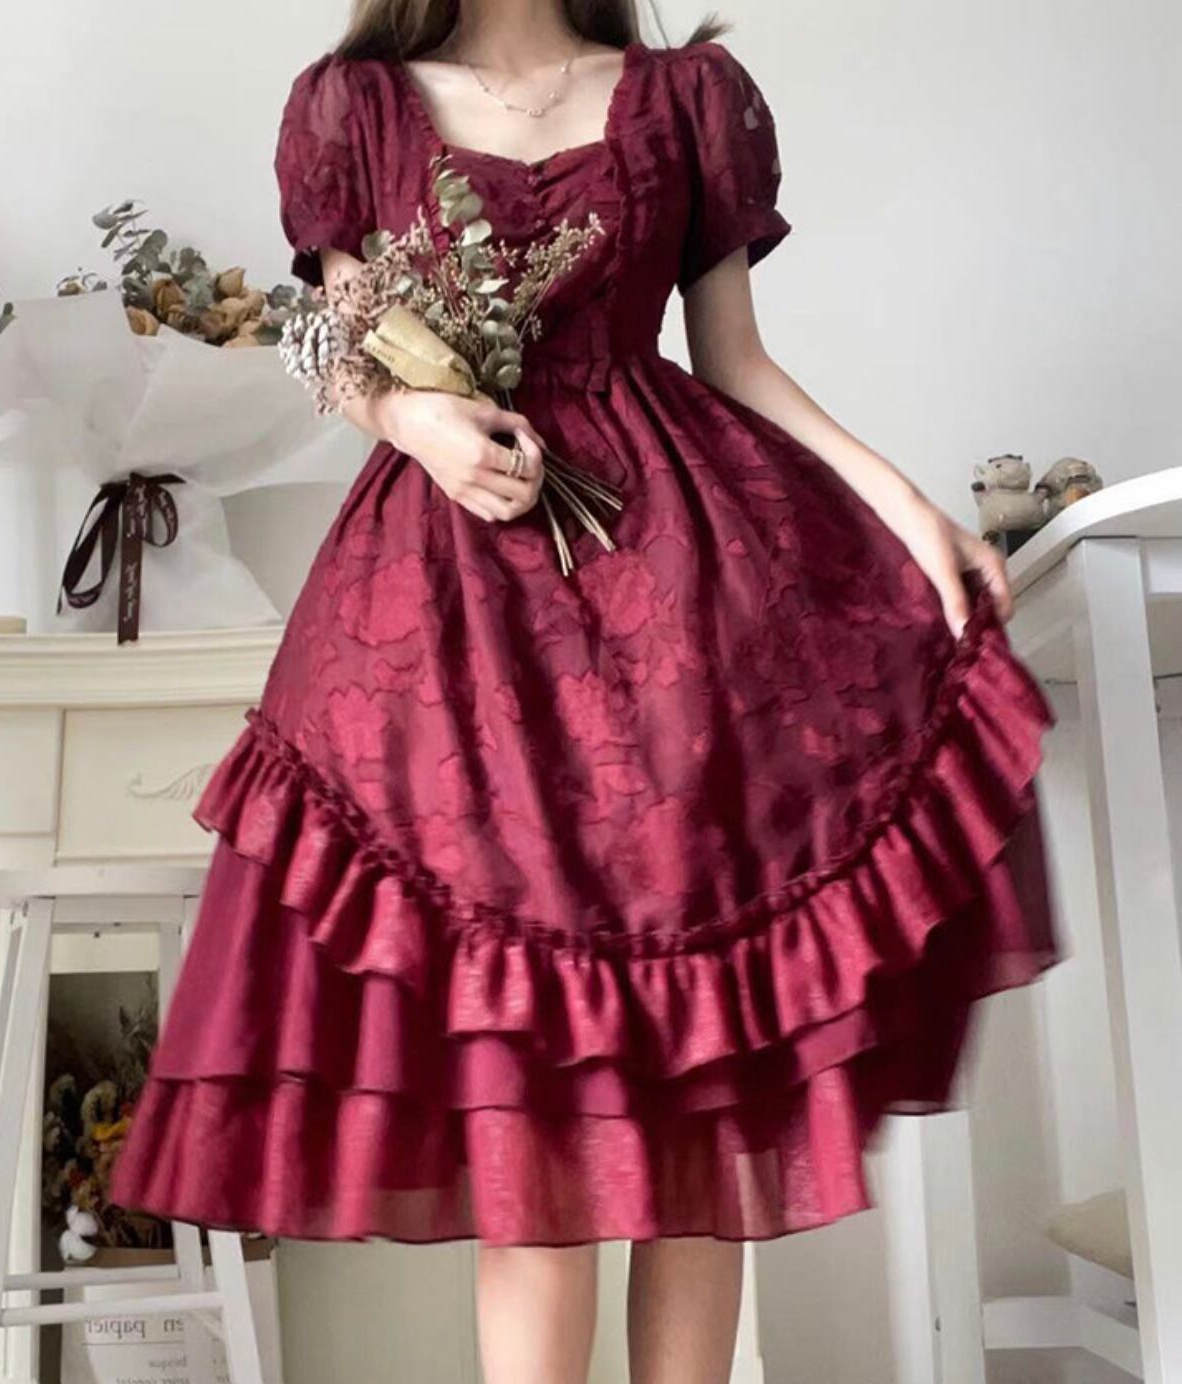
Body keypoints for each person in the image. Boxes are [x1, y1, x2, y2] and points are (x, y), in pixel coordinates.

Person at [110, 1, 1061, 1379]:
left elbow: (736, 360)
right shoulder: (350, 106)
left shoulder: (689, 95)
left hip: (683, 613)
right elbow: (343, 345)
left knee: (699, 1105)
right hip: (453, 627)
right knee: (528, 1123)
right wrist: (417, 420)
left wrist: (912, 516)